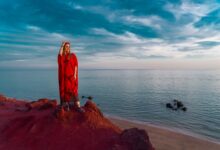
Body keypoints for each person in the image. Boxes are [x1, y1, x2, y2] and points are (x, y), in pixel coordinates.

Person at [58, 41, 83, 112]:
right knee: (65, 91)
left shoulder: (72, 55)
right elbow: (59, 56)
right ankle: (66, 106)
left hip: (71, 77)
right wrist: (62, 45)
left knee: (74, 91)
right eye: (66, 46)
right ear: (64, 47)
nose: (68, 48)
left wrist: (75, 75)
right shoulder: (62, 56)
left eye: (69, 46)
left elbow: (76, 66)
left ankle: (78, 107)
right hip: (64, 78)